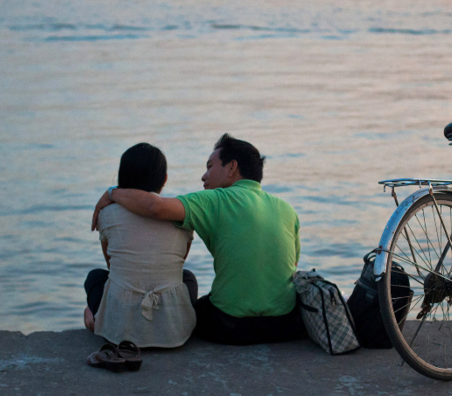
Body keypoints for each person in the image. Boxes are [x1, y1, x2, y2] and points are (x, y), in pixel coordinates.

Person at [92, 134, 304, 345]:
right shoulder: (287, 209)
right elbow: (292, 265)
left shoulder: (214, 199)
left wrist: (112, 193)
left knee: (199, 310)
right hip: (286, 325)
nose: (204, 176)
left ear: (231, 167)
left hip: (232, 327)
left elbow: (155, 207)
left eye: (210, 167)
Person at [85, 143, 197, 348]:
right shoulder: (181, 215)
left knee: (95, 277)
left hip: (119, 330)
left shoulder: (106, 215)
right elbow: (177, 265)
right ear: (164, 179)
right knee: (187, 277)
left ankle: (95, 317)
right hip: (174, 333)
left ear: (122, 177)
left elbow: (112, 267)